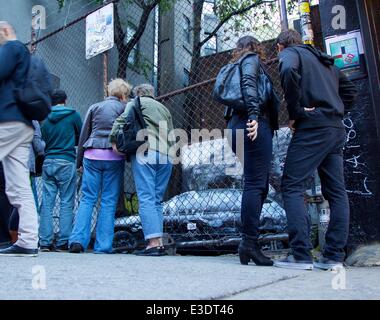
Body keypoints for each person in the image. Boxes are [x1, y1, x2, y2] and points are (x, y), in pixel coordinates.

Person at [274, 30, 357, 270]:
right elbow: (350, 91)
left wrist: (296, 113)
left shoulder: (290, 54)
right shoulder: (325, 61)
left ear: (280, 46)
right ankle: (333, 257)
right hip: (335, 129)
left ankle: (300, 254)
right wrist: (336, 112)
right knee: (337, 192)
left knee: (291, 185)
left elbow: (288, 71)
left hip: (312, 128)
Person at [224, 36, 278, 266]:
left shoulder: (234, 65)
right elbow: (248, 84)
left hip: (236, 126)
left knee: (257, 183)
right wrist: (255, 116)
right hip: (251, 124)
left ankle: (249, 243)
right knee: (256, 184)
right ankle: (248, 244)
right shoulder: (251, 60)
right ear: (257, 47)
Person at [110, 84, 174, 256]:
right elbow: (171, 133)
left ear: (137, 93)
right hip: (166, 155)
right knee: (157, 200)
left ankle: (152, 244)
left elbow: (121, 122)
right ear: (153, 94)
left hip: (145, 151)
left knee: (145, 197)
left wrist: (114, 141)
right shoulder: (164, 108)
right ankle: (159, 242)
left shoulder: (135, 102)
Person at [69, 79, 131, 254]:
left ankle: (77, 240)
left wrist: (79, 161)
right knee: (109, 201)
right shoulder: (124, 109)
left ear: (109, 91)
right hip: (114, 157)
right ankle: (103, 246)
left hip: (92, 155)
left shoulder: (95, 107)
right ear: (124, 94)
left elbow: (84, 135)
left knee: (87, 199)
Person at [0, 21, 39, 257]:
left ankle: (28, 240)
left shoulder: (12, 48)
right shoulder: (24, 56)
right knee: (19, 187)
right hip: (23, 125)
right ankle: (28, 240)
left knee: (19, 187)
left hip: (7, 122)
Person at [39, 90, 82, 252]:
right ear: (65, 100)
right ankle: (63, 241)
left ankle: (44, 242)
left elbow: (44, 139)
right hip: (66, 160)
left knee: (47, 203)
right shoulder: (73, 115)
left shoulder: (45, 119)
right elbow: (81, 136)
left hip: (48, 161)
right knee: (66, 202)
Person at [8, 120, 46, 244]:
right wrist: (44, 145)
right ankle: (17, 235)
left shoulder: (9, 113)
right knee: (25, 198)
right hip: (24, 162)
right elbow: (38, 146)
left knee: (10, 196)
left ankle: (10, 235)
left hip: (8, 160)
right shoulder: (32, 119)